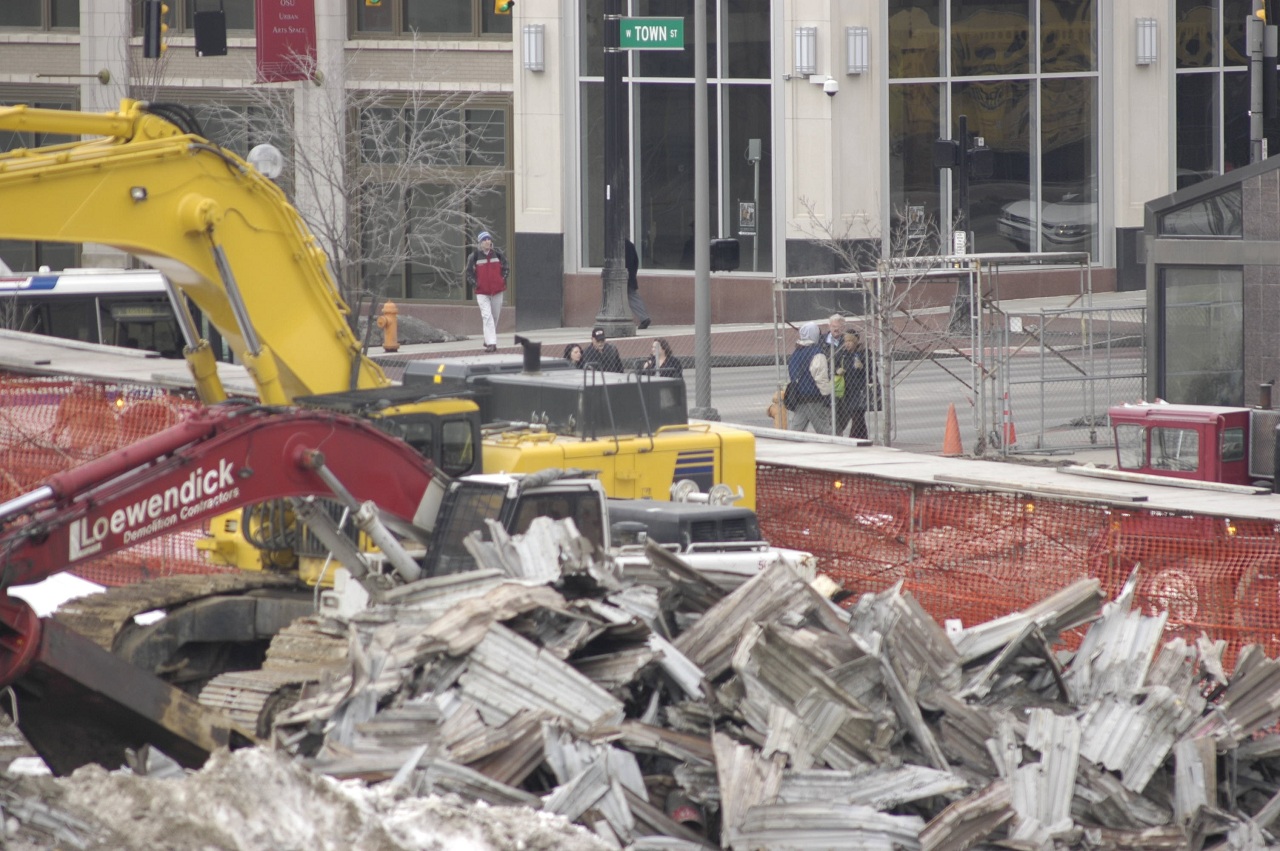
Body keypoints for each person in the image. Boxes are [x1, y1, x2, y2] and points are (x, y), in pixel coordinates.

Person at [464, 230, 509, 353]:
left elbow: (506, 268)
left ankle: (487, 338)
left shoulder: (498, 254)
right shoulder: (474, 256)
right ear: (480, 243)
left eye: (489, 239)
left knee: (494, 317)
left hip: (497, 291)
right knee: (487, 316)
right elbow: (469, 273)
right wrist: (476, 284)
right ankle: (492, 343)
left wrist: (501, 280)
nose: (487, 241)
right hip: (482, 292)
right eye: (484, 240)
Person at [785, 321, 832, 433]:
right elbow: (821, 377)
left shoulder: (796, 353)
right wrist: (827, 395)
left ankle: (788, 447)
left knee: (796, 430)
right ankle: (835, 447)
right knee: (825, 429)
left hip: (799, 397)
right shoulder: (817, 353)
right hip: (814, 397)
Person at [832, 330, 871, 439]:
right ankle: (863, 438)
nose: (847, 343)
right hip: (847, 389)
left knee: (857, 415)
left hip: (860, 389)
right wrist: (837, 370)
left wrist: (863, 367)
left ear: (855, 341)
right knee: (857, 416)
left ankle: (853, 438)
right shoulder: (842, 354)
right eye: (846, 341)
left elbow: (872, 369)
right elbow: (833, 366)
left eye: (850, 341)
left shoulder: (864, 353)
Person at [626, 239, 651, 330]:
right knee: (632, 296)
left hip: (625, 276)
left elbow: (631, 262)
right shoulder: (629, 245)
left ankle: (644, 318)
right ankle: (644, 317)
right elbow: (635, 262)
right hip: (629, 276)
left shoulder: (622, 245)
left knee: (631, 297)